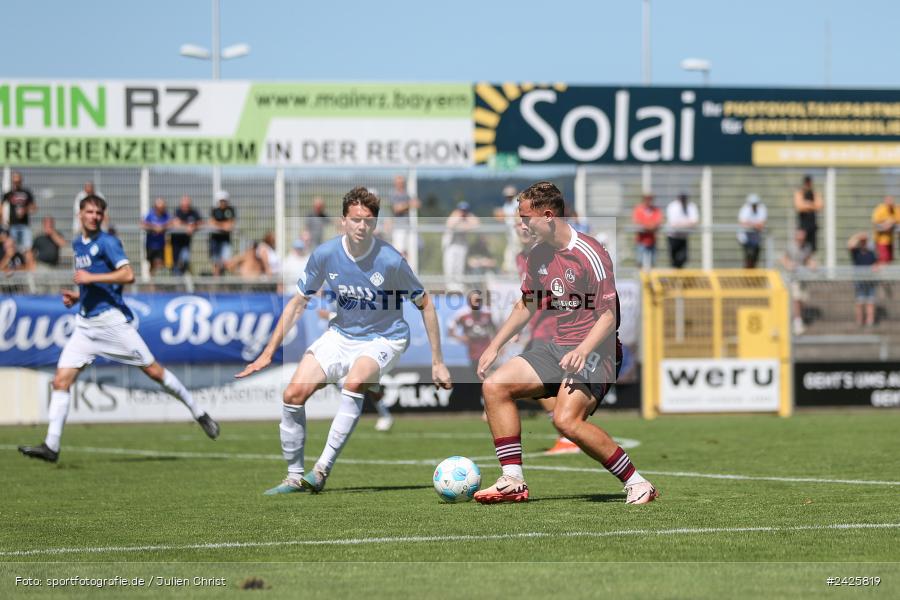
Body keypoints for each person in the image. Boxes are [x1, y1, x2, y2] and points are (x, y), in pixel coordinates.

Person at [235, 186, 452, 495]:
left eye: (368, 221)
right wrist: (268, 352)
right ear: (343, 221)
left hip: (385, 338)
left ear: (375, 224)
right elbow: (297, 303)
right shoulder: (325, 254)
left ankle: (321, 469)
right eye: (355, 220)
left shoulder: (391, 261)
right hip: (341, 335)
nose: (361, 226)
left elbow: (426, 304)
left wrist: (438, 362)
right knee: (292, 395)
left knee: (353, 383)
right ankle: (294, 476)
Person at [474, 181, 657, 505]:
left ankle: (638, 482)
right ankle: (513, 479)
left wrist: (583, 349)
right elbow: (526, 304)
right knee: (495, 386)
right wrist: (495, 345)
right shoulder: (537, 255)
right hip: (560, 347)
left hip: (597, 352)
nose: (521, 224)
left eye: (525, 217)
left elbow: (609, 316)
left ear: (547, 216)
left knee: (565, 420)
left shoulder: (591, 253)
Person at [18, 195, 219, 464]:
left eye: (99, 212)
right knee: (61, 381)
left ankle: (199, 412)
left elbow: (128, 275)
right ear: (80, 214)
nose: (94, 216)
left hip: (112, 323)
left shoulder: (108, 242)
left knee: (153, 371)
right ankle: (51, 445)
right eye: (89, 212)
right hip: (86, 325)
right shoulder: (79, 243)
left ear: (103, 216)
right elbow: (93, 284)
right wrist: (79, 296)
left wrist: (91, 278)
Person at [781, 229, 817, 335]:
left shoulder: (807, 247)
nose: (801, 240)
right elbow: (783, 259)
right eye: (799, 238)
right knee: (796, 299)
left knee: (802, 299)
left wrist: (812, 264)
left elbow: (807, 259)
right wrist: (789, 265)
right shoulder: (790, 247)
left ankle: (799, 318)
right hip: (793, 278)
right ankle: (797, 322)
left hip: (803, 278)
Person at [442, 201, 480, 292]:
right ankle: (450, 286)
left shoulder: (468, 217)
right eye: (461, 210)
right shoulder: (454, 216)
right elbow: (450, 225)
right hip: (451, 245)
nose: (463, 212)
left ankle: (458, 286)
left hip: (461, 245)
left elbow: (477, 224)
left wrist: (467, 222)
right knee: (450, 265)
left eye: (465, 210)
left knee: (459, 266)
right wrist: (462, 222)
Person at [2, 171, 37, 263]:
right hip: (13, 225)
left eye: (18, 181)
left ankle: (30, 273)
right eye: (15, 181)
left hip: (24, 225)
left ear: (21, 181)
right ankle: (13, 268)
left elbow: (34, 207)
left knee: (27, 248)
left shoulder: (26, 193)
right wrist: (2, 220)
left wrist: (25, 210)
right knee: (11, 249)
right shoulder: (9, 193)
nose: (16, 183)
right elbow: (2, 206)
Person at [848, 232, 879, 327]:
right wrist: (858, 236)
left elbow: (877, 263)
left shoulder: (871, 253)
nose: (863, 243)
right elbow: (850, 244)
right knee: (860, 301)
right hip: (859, 281)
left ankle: (870, 321)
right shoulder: (856, 252)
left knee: (870, 301)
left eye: (865, 241)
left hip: (870, 280)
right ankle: (859, 321)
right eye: (862, 241)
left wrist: (875, 267)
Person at [389, 174, 420, 257]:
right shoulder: (393, 194)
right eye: (399, 183)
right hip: (399, 227)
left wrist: (405, 205)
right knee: (399, 251)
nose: (401, 184)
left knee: (410, 251)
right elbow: (396, 209)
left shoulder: (407, 194)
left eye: (402, 182)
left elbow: (417, 203)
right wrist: (408, 204)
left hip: (409, 226)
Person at [665, 193, 699, 269]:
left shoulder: (691, 206)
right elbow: (673, 224)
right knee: (674, 260)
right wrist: (687, 224)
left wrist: (681, 224)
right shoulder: (673, 206)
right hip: (673, 237)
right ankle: (674, 275)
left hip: (683, 237)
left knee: (684, 258)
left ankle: (678, 273)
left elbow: (694, 222)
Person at [171, 195, 202, 275]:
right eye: (184, 205)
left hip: (186, 243)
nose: (185, 207)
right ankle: (177, 281)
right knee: (176, 261)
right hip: (176, 243)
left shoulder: (193, 212)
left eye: (187, 205)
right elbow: (176, 223)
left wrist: (193, 226)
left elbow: (200, 222)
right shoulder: (177, 211)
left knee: (185, 260)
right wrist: (187, 226)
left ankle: (182, 277)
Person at [494, 185, 521, 274]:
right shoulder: (507, 204)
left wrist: (504, 215)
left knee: (516, 248)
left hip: (517, 229)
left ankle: (516, 268)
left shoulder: (517, 202)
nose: (508, 197)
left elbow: (517, 215)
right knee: (511, 248)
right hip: (509, 229)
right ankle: (510, 269)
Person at [631, 193, 663, 270]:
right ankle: (640, 280)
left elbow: (658, 222)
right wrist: (650, 226)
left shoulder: (656, 210)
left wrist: (646, 226)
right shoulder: (638, 209)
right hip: (641, 241)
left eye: (650, 198)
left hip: (652, 241)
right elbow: (637, 223)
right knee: (639, 262)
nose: (649, 200)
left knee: (653, 263)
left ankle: (650, 281)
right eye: (647, 198)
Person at [209, 190, 236, 277]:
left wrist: (219, 225)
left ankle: (222, 280)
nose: (223, 203)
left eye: (224, 200)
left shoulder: (230, 210)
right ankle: (216, 282)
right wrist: (223, 226)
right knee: (216, 262)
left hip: (226, 240)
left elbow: (231, 224)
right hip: (215, 240)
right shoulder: (214, 210)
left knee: (226, 262)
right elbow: (211, 222)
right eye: (221, 201)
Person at [141, 197, 171, 275]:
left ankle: (158, 281)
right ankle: (152, 283)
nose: (160, 209)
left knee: (159, 263)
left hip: (161, 245)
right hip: (150, 245)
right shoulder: (150, 214)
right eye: (158, 208)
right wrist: (154, 227)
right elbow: (143, 224)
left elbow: (172, 223)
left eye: (162, 207)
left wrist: (162, 227)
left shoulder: (166, 215)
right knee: (152, 265)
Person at [737, 194, 767, 268]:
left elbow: (761, 224)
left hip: (756, 238)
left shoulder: (762, 209)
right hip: (746, 238)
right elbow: (743, 223)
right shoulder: (745, 209)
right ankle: (747, 272)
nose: (754, 206)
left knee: (755, 257)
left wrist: (751, 224)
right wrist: (755, 225)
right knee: (748, 255)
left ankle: (752, 271)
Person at [794, 175, 822, 254]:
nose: (808, 185)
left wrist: (807, 204)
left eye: (809, 183)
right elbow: (799, 207)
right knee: (800, 247)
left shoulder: (815, 193)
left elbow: (819, 206)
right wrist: (812, 205)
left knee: (812, 249)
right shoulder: (799, 193)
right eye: (806, 183)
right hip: (802, 225)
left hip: (812, 226)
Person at [871, 195, 898, 264]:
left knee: (889, 260)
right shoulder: (880, 209)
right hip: (880, 240)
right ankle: (877, 272)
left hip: (890, 240)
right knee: (882, 260)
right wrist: (885, 226)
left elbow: (897, 224)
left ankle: (885, 273)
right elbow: (875, 224)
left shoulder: (896, 210)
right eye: (888, 200)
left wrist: (892, 225)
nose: (890, 202)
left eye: (891, 200)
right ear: (885, 201)